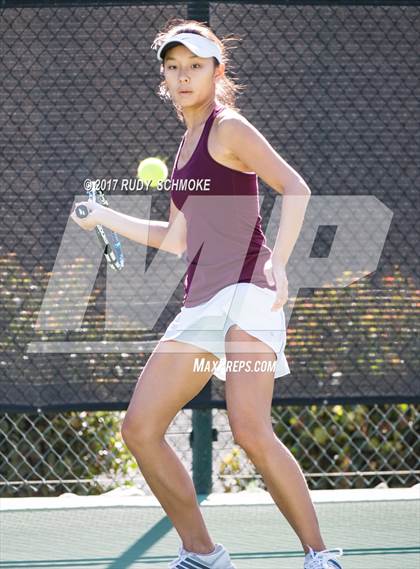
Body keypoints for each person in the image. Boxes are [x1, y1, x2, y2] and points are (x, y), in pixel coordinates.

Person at [71, 18, 343, 569]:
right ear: (164, 81)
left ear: (216, 72)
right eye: (173, 68)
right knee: (140, 429)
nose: (183, 76)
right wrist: (103, 215)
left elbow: (296, 187)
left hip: (248, 290)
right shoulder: (184, 147)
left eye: (194, 66)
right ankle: (202, 553)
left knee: (248, 428)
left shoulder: (229, 128)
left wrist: (283, 267)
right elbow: (176, 240)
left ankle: (320, 555)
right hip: (202, 302)